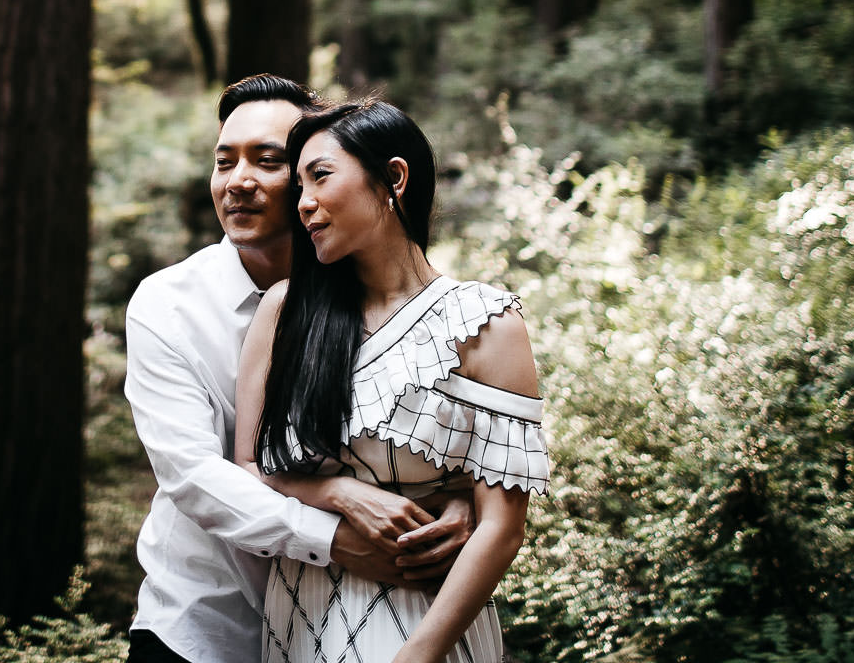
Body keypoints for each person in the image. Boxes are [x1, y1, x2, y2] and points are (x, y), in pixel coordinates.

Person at [124, 76, 475, 663]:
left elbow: (421, 440)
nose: (238, 181)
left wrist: (458, 503)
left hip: (352, 624)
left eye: (268, 161)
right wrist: (335, 536)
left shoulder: (383, 303)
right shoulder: (168, 304)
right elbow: (192, 474)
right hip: (205, 625)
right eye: (223, 161)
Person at [234, 99, 549, 663]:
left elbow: (501, 528)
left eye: (320, 177)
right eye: (298, 185)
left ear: (393, 179)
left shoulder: (484, 323)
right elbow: (249, 472)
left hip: (423, 620)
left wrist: (419, 655)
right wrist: (338, 493)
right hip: (297, 613)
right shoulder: (286, 311)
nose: (302, 204)